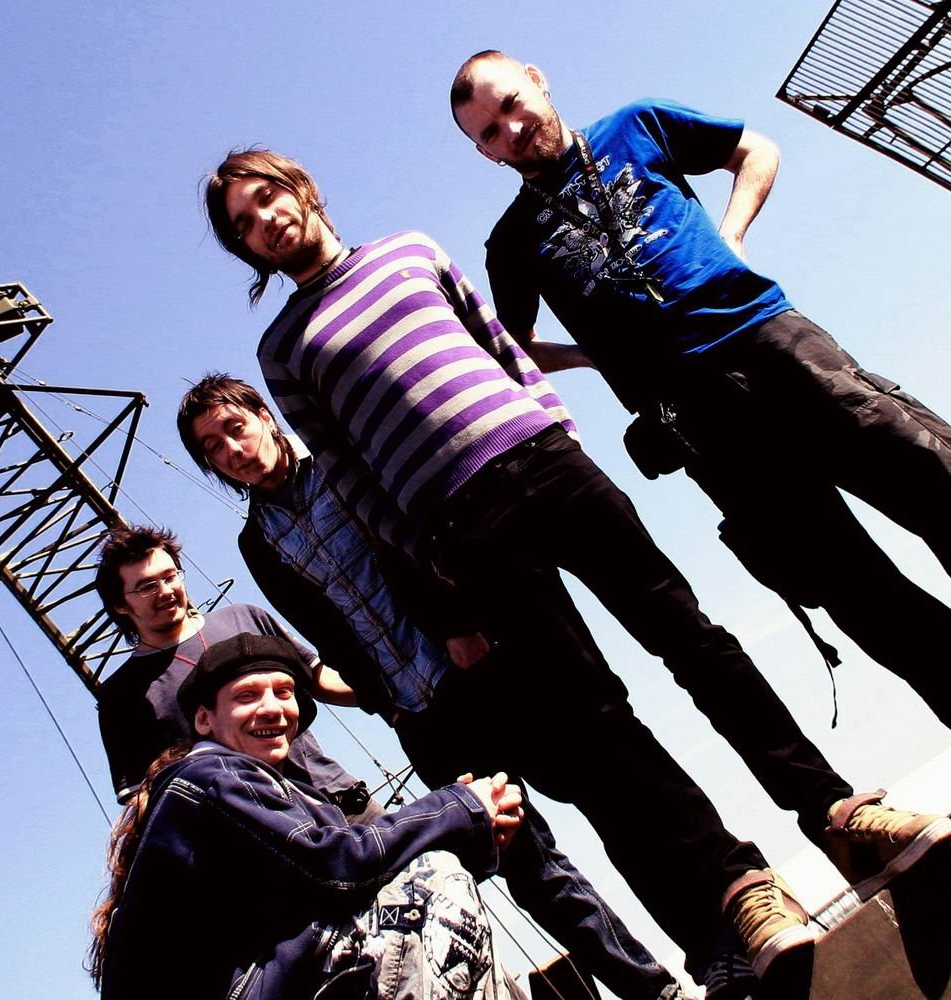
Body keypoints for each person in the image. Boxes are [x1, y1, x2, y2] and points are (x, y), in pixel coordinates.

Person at [201, 146, 949, 978]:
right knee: (597, 719)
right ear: (248, 251)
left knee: (695, 641)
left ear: (301, 188)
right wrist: (428, 549)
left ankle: (835, 811)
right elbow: (344, 468)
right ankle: (741, 889)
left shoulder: (412, 250)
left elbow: (499, 345)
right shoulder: (284, 347)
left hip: (552, 464)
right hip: (464, 530)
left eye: (267, 198)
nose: (265, 222)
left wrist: (555, 424)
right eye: (244, 226)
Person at [448, 49, 951, 728]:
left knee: (929, 472)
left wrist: (732, 235)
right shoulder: (510, 243)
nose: (510, 130)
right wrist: (593, 357)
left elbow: (755, 150)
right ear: (482, 152)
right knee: (852, 588)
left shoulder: (637, 124)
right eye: (488, 131)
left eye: (510, 105)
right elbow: (513, 347)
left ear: (536, 80)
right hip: (696, 422)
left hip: (771, 344)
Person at [177, 372, 688, 999]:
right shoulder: (257, 542)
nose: (232, 450)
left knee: (613, 801)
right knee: (528, 866)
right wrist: (385, 703)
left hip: (484, 668)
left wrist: (461, 624)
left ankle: (715, 943)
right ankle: (651, 990)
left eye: (235, 428)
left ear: (264, 414)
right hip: (422, 716)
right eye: (212, 447)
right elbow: (325, 634)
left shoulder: (344, 462)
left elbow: (429, 535)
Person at [88, 631, 527, 1000]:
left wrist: (474, 827)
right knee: (433, 876)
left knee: (427, 876)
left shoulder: (287, 796)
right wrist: (459, 807)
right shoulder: (208, 776)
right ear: (204, 720)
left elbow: (358, 874)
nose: (272, 708)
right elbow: (337, 864)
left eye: (284, 692)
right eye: (246, 696)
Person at [93, 523, 377, 820]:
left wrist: (392, 699)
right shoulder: (121, 696)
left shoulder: (244, 617)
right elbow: (144, 796)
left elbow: (319, 679)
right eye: (147, 586)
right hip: (266, 835)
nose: (165, 591)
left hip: (341, 798)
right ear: (120, 605)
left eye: (170, 576)